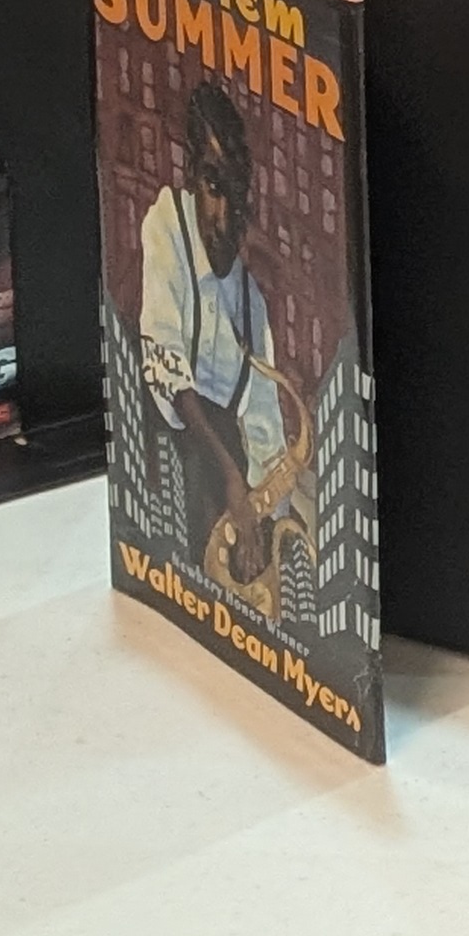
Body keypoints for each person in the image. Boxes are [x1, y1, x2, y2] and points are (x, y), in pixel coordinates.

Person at [133, 78, 287, 588]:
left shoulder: (251, 302)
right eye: (213, 187)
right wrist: (232, 482)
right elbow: (164, 364)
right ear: (192, 179)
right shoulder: (166, 222)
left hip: (225, 458)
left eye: (237, 195)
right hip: (174, 437)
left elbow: (264, 425)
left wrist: (268, 520)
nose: (225, 216)